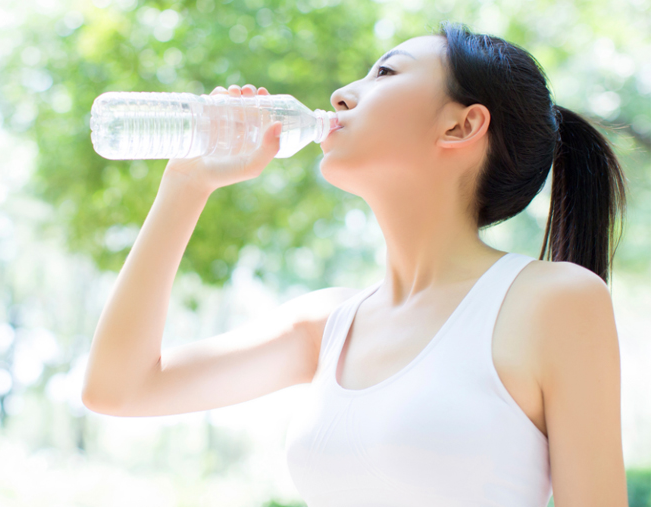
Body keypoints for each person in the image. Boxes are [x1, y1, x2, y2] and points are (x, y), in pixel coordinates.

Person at [82, 21, 628, 506]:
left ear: (460, 127)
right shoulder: (326, 325)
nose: (342, 95)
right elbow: (118, 388)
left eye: (385, 73)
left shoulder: (553, 301)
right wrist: (187, 183)